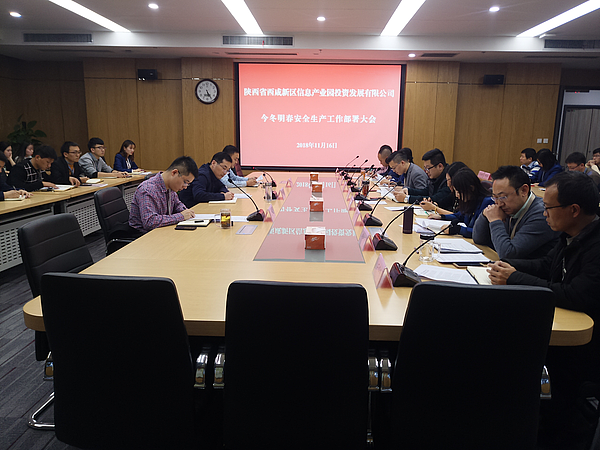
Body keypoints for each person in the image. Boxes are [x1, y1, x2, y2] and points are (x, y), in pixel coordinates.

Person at [487, 171, 600, 447]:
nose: (544, 213)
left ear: (574, 210)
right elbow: (546, 265)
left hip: (584, 346)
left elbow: (576, 295)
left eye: (548, 208)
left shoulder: (595, 245)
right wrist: (508, 267)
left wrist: (514, 278)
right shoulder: (570, 234)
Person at [472, 165, 559, 259]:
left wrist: (495, 221)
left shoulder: (541, 214)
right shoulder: (507, 208)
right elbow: (478, 239)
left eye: (503, 197)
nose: (499, 204)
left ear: (524, 190)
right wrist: (485, 214)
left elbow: (508, 254)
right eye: (495, 197)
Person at [129, 156, 198, 233]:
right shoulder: (147, 189)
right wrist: (181, 216)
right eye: (185, 182)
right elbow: (150, 222)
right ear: (174, 173)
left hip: (161, 231)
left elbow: (177, 204)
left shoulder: (170, 187)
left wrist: (186, 211)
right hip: (143, 235)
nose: (185, 187)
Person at [428, 167, 493, 238]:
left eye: (459, 192)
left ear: (471, 188)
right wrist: (442, 217)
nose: (457, 195)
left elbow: (480, 233)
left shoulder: (487, 203)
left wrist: (458, 229)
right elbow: (460, 216)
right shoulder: (470, 200)